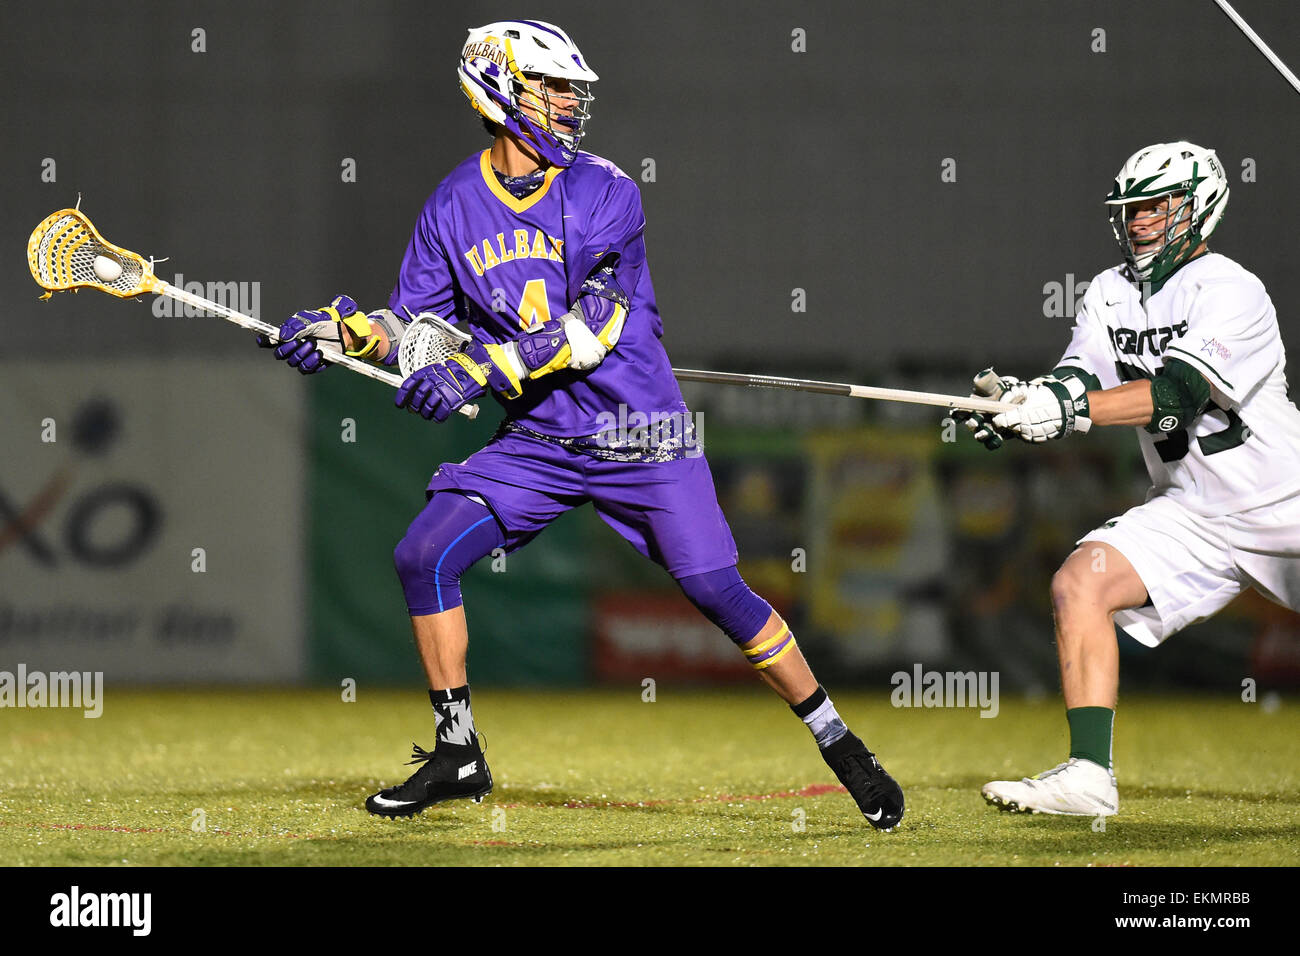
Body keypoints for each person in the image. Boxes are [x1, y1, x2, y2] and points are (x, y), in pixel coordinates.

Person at [260, 20, 904, 830]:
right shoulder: (453, 204)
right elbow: (422, 331)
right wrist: (347, 331)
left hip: (641, 434)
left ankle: (840, 742)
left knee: (714, 589)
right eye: (550, 85)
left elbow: (590, 328)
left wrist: (478, 368)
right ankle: (458, 751)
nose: (568, 102)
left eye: (572, 89)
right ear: (498, 89)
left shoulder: (606, 190)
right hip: (538, 444)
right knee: (422, 554)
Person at [955, 141, 1300, 815]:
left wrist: (1069, 411)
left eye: (1155, 205)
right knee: (1078, 583)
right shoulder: (1110, 291)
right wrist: (1027, 406)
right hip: (1191, 511)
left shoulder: (1232, 290)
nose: (1139, 220)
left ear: (1198, 207)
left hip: (1283, 501)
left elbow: (1175, 396)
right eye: (1130, 209)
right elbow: (1080, 375)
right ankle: (1089, 775)